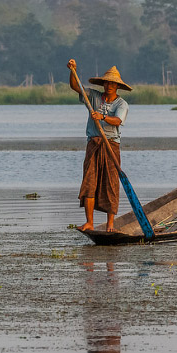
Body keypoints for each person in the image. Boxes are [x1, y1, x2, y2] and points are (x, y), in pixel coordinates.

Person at [67, 59, 132, 232]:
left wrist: (102, 117)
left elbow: (117, 121)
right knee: (89, 182)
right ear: (103, 84)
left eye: (112, 83)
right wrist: (73, 70)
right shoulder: (94, 96)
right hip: (94, 144)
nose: (109, 86)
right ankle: (89, 222)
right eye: (107, 83)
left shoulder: (121, 104)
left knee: (110, 183)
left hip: (111, 145)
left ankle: (110, 224)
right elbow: (76, 87)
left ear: (117, 86)